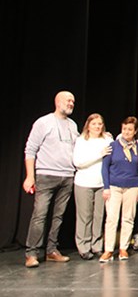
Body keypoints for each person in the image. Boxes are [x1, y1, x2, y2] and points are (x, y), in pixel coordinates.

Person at [22, 91, 78, 267]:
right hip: (46, 175)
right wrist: (30, 176)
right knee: (40, 215)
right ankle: (31, 253)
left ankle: (51, 250)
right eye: (68, 100)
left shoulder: (73, 125)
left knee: (58, 216)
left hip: (67, 176)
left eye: (73, 101)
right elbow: (30, 149)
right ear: (58, 102)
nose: (71, 103)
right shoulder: (43, 122)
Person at [100, 116, 138, 262]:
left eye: (130, 129)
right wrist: (106, 187)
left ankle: (123, 248)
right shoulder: (113, 146)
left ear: (135, 131)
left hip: (133, 186)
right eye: (124, 129)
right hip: (114, 186)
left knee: (128, 218)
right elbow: (105, 168)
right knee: (112, 218)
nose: (126, 132)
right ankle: (108, 250)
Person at [72, 112, 113, 260]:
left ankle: (97, 245)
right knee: (85, 216)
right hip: (84, 183)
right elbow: (78, 162)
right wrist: (99, 154)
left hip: (102, 184)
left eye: (100, 124)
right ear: (88, 125)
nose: (97, 126)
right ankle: (83, 246)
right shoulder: (81, 140)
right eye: (94, 124)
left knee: (99, 216)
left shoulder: (107, 139)